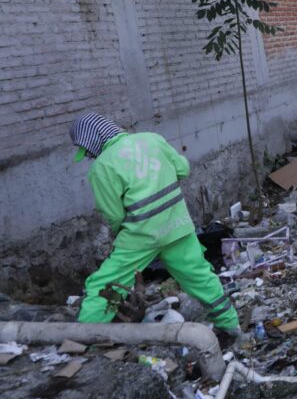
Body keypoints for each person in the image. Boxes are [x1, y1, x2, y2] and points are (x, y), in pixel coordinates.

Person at [69, 112, 240, 338]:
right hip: (177, 226)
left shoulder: (102, 166)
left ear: (93, 141)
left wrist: (121, 237)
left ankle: (82, 340)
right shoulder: (152, 139)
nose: (90, 156)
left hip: (140, 236)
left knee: (105, 285)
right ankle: (230, 325)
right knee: (200, 277)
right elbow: (183, 169)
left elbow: (113, 214)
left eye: (88, 151)